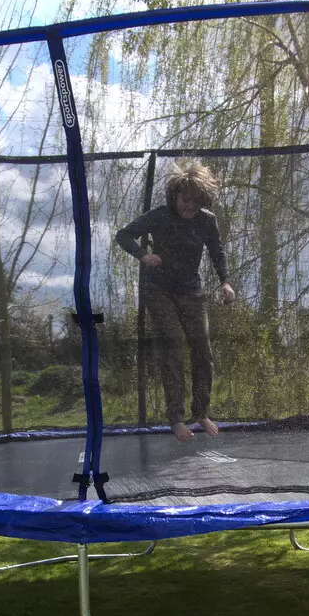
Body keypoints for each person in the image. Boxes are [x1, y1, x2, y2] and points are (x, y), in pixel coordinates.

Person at [114, 160, 236, 442]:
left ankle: (201, 412)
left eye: (195, 203)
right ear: (175, 194)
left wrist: (225, 282)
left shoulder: (207, 220)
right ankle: (176, 418)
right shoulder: (159, 215)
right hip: (159, 290)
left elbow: (217, 252)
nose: (188, 207)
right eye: (185, 200)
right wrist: (143, 255)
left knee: (202, 349)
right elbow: (124, 235)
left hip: (191, 290)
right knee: (173, 344)